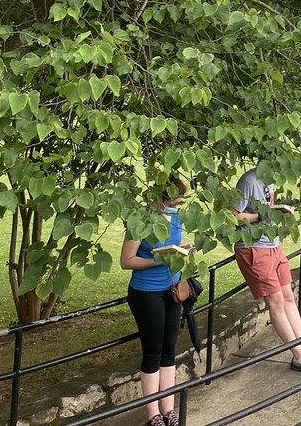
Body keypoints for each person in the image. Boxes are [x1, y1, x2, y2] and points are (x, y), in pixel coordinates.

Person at [232, 167, 301, 372]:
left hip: (273, 244)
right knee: (276, 301)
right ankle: (300, 356)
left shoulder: (272, 177)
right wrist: (262, 215)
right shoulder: (249, 181)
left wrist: (278, 211)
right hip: (254, 247)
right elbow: (234, 216)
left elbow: (269, 206)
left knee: (288, 297)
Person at [120, 178, 191, 426]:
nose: (176, 206)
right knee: (153, 352)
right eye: (172, 202)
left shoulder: (177, 217)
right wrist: (157, 261)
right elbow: (126, 261)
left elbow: (172, 247)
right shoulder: (141, 220)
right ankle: (153, 415)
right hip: (146, 291)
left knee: (169, 349)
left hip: (171, 289)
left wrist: (183, 251)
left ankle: (168, 409)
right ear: (161, 199)